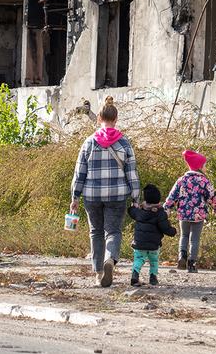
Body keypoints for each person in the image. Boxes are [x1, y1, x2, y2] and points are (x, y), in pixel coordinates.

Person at [70, 97, 140, 288]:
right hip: (117, 195)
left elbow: (79, 172)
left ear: (99, 118)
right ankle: (110, 259)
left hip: (92, 195)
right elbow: (132, 173)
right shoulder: (124, 143)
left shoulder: (89, 143)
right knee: (113, 231)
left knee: (96, 232)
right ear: (115, 119)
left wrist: (75, 197)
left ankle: (99, 272)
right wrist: (135, 197)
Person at [165, 150, 216, 273]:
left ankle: (182, 256)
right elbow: (212, 196)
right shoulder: (204, 181)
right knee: (195, 238)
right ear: (199, 166)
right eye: (204, 165)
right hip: (198, 214)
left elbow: (172, 195)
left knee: (184, 235)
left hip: (183, 213)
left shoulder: (181, 180)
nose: (205, 167)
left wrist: (167, 207)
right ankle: (192, 263)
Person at [128, 184, 177, 286]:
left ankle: (135, 276)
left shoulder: (139, 211)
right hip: (154, 245)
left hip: (139, 243)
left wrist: (133, 206)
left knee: (138, 259)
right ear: (158, 199)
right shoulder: (160, 213)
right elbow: (165, 228)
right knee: (154, 261)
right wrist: (173, 231)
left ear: (146, 199)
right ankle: (153, 278)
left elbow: (131, 211)